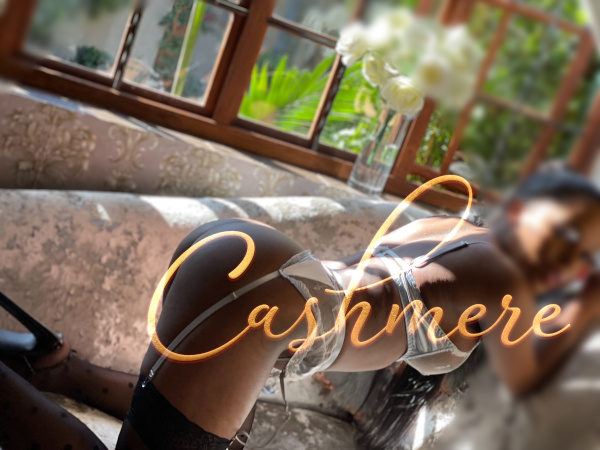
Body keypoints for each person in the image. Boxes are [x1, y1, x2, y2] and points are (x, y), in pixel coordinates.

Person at [0, 168, 599, 450]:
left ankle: (59, 369)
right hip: (266, 294)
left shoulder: (454, 231)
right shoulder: (521, 287)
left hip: (238, 256)